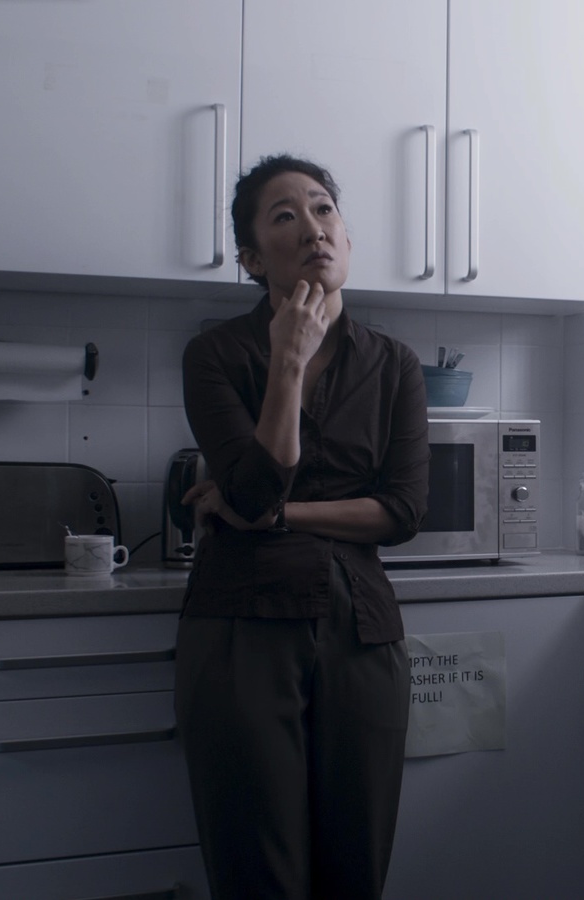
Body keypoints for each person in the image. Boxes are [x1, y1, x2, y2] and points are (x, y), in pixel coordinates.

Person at [174, 153, 430, 899]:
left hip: (363, 632)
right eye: (285, 216)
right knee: (259, 874)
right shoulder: (216, 354)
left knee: (355, 871)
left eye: (324, 209)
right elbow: (252, 492)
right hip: (240, 628)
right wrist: (288, 360)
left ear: (346, 236)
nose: (314, 228)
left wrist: (280, 514)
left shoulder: (395, 365)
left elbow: (402, 513)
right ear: (253, 258)